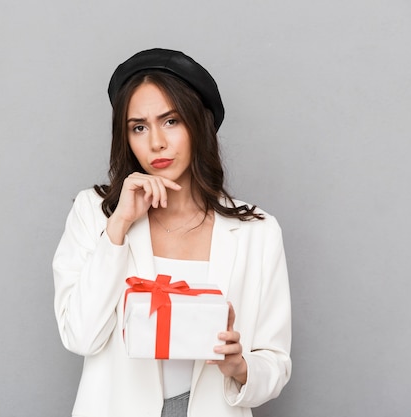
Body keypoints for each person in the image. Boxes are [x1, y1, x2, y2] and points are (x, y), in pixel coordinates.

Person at [53, 48, 291, 417]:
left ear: (199, 125)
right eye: (139, 127)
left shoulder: (257, 232)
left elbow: (275, 362)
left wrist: (239, 366)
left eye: (171, 121)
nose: (156, 143)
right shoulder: (95, 213)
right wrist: (118, 224)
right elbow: (81, 335)